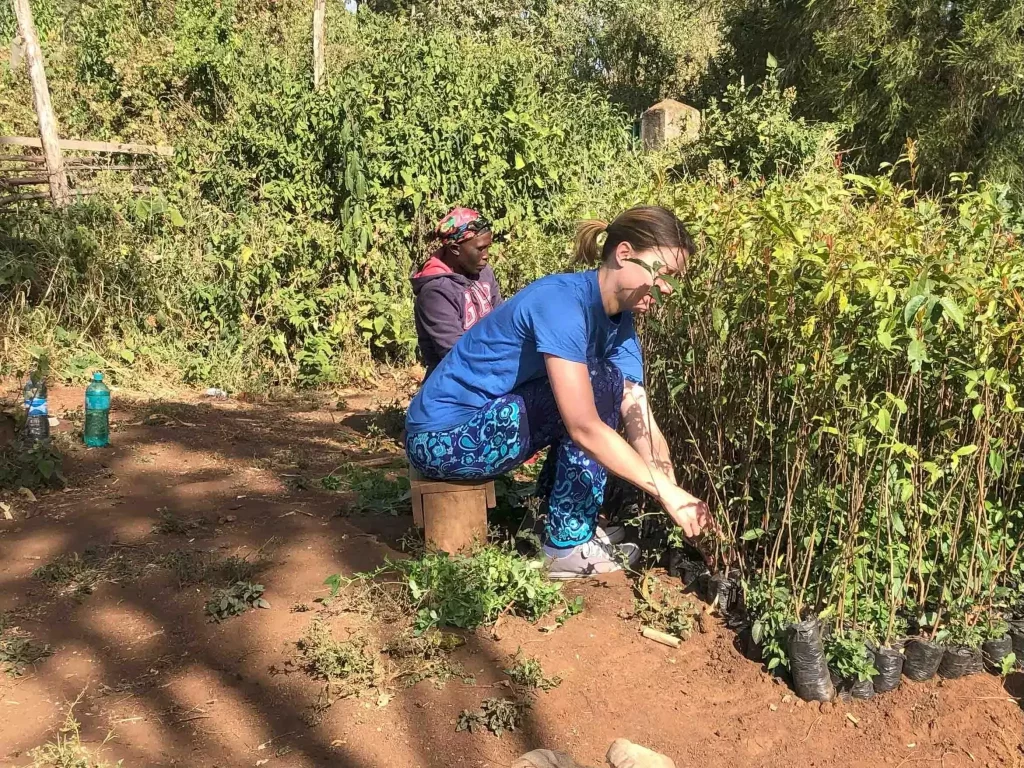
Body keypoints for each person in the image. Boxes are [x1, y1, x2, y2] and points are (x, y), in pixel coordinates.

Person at [404, 205, 712, 578]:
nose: (668, 289)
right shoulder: (562, 304)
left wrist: (676, 497)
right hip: (441, 439)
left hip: (479, 427)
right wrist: (666, 493)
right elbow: (583, 425)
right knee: (599, 383)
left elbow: (640, 418)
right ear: (625, 253)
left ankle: (548, 521)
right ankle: (566, 543)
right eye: (662, 274)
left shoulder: (620, 323)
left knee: (606, 381)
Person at [411, 207, 502, 379]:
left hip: (491, 368)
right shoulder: (435, 291)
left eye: (488, 248)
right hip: (453, 383)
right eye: (480, 249)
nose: (486, 256)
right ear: (454, 249)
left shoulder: (483, 273)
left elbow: (502, 321)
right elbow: (454, 352)